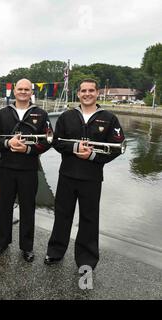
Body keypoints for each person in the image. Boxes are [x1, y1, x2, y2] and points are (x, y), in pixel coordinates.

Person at [45, 79, 125, 270]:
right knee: (62, 215)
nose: (87, 94)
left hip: (92, 177)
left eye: (91, 90)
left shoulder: (109, 118)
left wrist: (93, 155)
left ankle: (86, 260)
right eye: (83, 91)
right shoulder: (67, 116)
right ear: (78, 94)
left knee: (89, 219)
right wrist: (74, 147)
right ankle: (55, 252)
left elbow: (117, 147)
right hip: (67, 175)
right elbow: (56, 142)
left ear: (97, 93)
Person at [0, 79, 52, 262]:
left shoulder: (41, 114)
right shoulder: (2, 113)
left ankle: (27, 247)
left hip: (28, 169)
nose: (23, 92)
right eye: (20, 89)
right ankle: (1, 243)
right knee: (4, 207)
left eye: (27, 89)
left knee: (28, 209)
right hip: (7, 168)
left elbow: (48, 141)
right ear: (15, 91)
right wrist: (8, 143)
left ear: (31, 92)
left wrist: (28, 149)